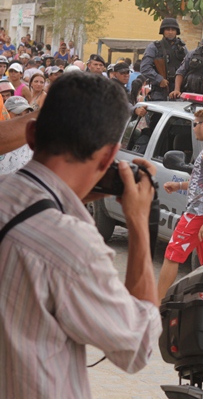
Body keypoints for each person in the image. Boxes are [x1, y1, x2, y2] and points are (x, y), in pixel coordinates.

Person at [0, 72, 161, 398]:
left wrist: (70, 197)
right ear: (109, 156)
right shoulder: (73, 245)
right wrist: (138, 222)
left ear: (30, 134)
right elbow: (137, 347)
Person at [157, 108, 203, 300]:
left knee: (172, 255)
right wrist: (180, 185)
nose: (194, 128)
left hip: (199, 215)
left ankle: (156, 303)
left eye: (195, 124)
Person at [0, 96, 34, 174]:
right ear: (6, 114)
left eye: (26, 114)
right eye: (18, 114)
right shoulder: (3, 141)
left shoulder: (32, 138)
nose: (23, 119)